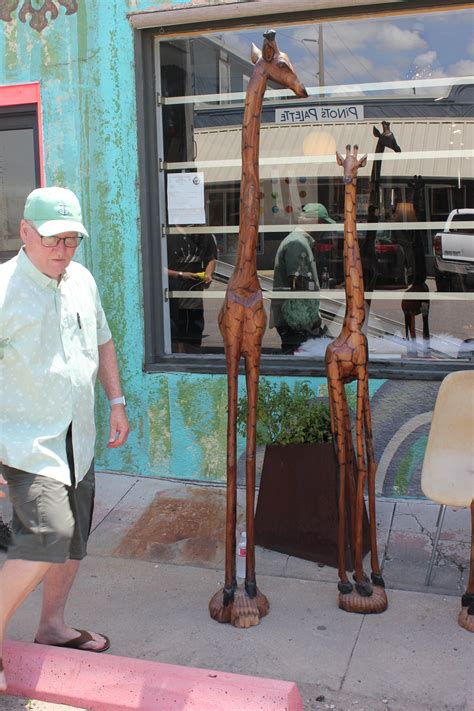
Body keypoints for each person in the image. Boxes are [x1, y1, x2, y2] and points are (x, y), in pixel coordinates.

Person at [0, 187, 130, 693]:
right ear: (25, 232)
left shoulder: (82, 281)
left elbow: (103, 339)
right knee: (47, 537)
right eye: (54, 239)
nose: (64, 249)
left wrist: (116, 401)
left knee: (72, 544)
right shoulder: (4, 288)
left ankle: (51, 627)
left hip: (81, 439)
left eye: (73, 239)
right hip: (26, 443)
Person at [271, 203, 334, 353]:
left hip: (298, 318)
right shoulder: (297, 243)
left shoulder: (300, 241)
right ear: (317, 223)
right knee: (299, 357)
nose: (325, 229)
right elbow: (296, 281)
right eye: (324, 224)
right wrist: (315, 287)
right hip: (295, 320)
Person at [167, 225, 217, 352]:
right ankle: (179, 361)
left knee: (195, 332)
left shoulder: (202, 233)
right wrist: (180, 275)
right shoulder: (167, 234)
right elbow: (157, 267)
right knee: (176, 334)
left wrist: (208, 274)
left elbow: (211, 259)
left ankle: (193, 360)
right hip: (172, 296)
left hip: (195, 295)